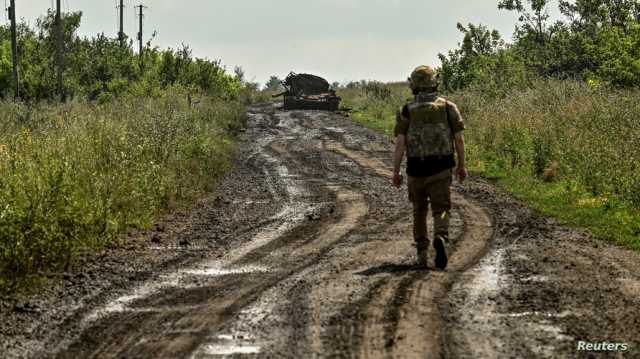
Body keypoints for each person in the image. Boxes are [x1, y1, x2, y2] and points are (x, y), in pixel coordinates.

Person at [392, 66, 468, 270]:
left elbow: (400, 143)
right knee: (441, 208)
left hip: (416, 168)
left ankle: (422, 252)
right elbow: (459, 140)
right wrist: (461, 165)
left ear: (413, 85)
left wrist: (396, 171)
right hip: (442, 166)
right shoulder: (448, 107)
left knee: (419, 210)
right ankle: (441, 235)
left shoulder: (406, 110)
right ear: (434, 82)